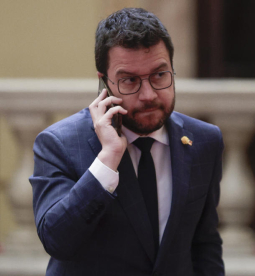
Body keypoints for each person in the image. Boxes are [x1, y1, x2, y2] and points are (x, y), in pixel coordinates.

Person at [29, 8, 224, 276]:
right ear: (104, 84)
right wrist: (108, 158)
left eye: (159, 75)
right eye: (129, 80)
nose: (148, 95)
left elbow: (205, 245)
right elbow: (57, 241)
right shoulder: (58, 144)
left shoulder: (205, 141)